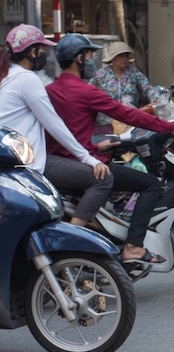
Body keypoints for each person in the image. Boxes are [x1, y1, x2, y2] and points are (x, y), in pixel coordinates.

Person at [45, 34, 174, 266]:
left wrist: (94, 145)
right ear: (78, 58)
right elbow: (126, 114)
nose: (92, 61)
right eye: (89, 56)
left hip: (62, 163)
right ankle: (134, 246)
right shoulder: (86, 91)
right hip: (84, 164)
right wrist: (170, 127)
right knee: (150, 184)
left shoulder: (50, 90)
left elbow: (64, 131)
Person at [0, 25, 113, 228]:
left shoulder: (7, 77)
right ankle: (77, 234)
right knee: (102, 179)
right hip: (32, 165)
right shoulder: (27, 79)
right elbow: (54, 125)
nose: (44, 54)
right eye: (41, 50)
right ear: (32, 52)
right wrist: (88, 158)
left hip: (14, 163)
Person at [91, 41, 154, 132]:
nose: (124, 59)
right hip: (106, 124)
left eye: (126, 55)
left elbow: (148, 88)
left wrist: (156, 98)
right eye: (121, 56)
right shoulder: (101, 75)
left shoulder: (134, 74)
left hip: (130, 122)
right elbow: (88, 92)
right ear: (113, 58)